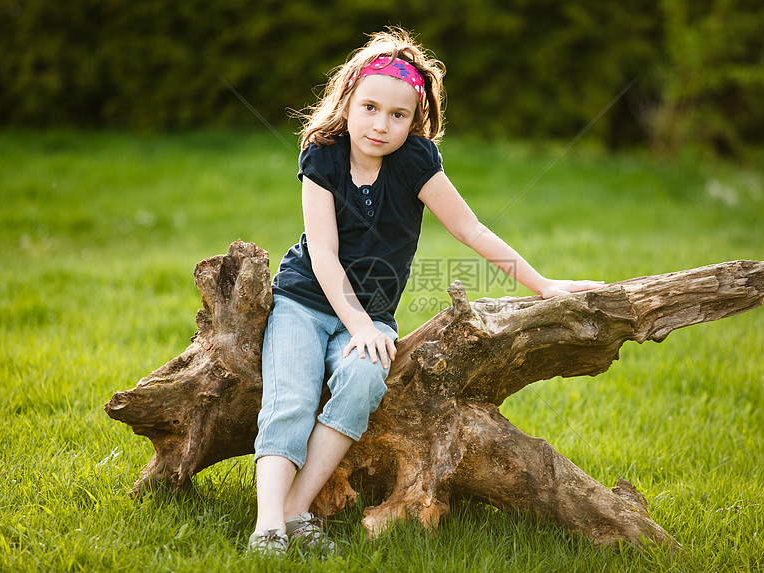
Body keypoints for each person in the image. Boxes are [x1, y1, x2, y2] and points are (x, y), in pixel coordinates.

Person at [247, 28, 604, 556]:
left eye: (398, 115)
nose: (380, 125)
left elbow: (471, 230)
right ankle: (267, 527)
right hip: (304, 302)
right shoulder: (322, 156)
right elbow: (323, 255)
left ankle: (297, 509)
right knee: (291, 401)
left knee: (363, 380)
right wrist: (358, 325)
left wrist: (542, 285)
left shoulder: (416, 161)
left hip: (372, 314)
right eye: (369, 107)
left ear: (416, 120)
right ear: (347, 101)